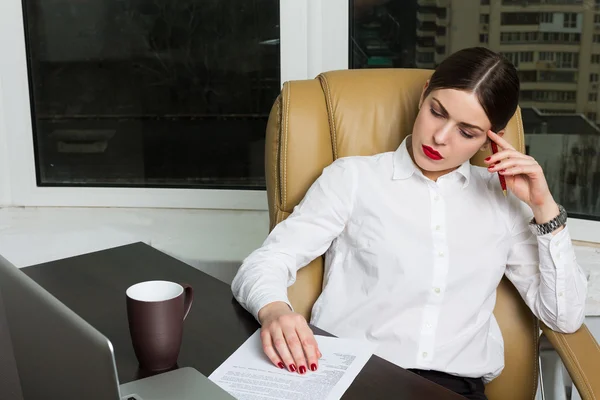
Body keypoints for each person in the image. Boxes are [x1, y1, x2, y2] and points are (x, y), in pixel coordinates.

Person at [231, 47, 588, 400]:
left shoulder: (505, 202)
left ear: (494, 137)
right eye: (437, 112)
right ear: (424, 93)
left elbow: (564, 317)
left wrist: (543, 207)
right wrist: (275, 310)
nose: (440, 138)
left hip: (454, 388)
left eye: (467, 132)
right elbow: (265, 262)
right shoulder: (353, 178)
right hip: (353, 378)